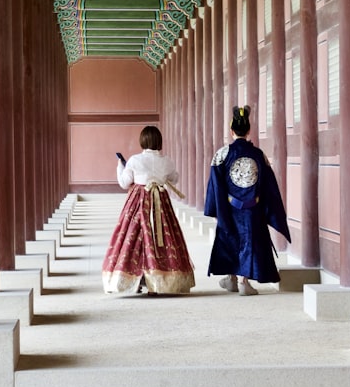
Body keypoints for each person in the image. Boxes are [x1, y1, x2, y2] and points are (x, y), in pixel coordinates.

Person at [204, 105, 291, 295]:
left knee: (230, 240)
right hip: (254, 208)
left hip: (229, 207)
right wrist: (269, 211)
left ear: (231, 130)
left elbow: (215, 186)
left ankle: (232, 278)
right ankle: (243, 281)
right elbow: (269, 187)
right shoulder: (258, 155)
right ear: (249, 130)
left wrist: (217, 210)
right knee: (250, 244)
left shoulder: (221, 154)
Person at [102, 125, 195, 294]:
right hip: (160, 203)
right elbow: (174, 179)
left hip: (138, 202)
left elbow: (124, 183)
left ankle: (135, 282)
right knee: (161, 239)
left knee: (135, 239)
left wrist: (120, 167)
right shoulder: (166, 161)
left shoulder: (134, 160)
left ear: (142, 141)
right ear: (159, 141)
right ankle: (158, 284)